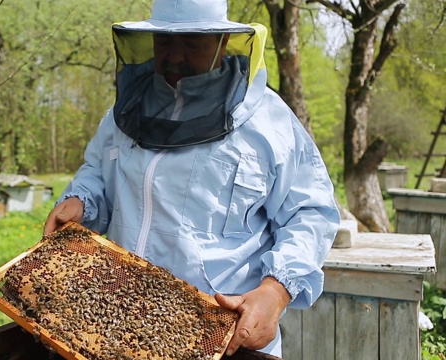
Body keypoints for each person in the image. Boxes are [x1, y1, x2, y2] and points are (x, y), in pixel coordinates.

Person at [43, 0, 340, 357]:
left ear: (223, 41)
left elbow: (310, 213)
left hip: (224, 338)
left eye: (192, 43)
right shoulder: (126, 111)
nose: (175, 57)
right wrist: (82, 201)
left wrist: (276, 292)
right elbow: (99, 174)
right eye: (164, 42)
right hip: (118, 327)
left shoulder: (268, 123)